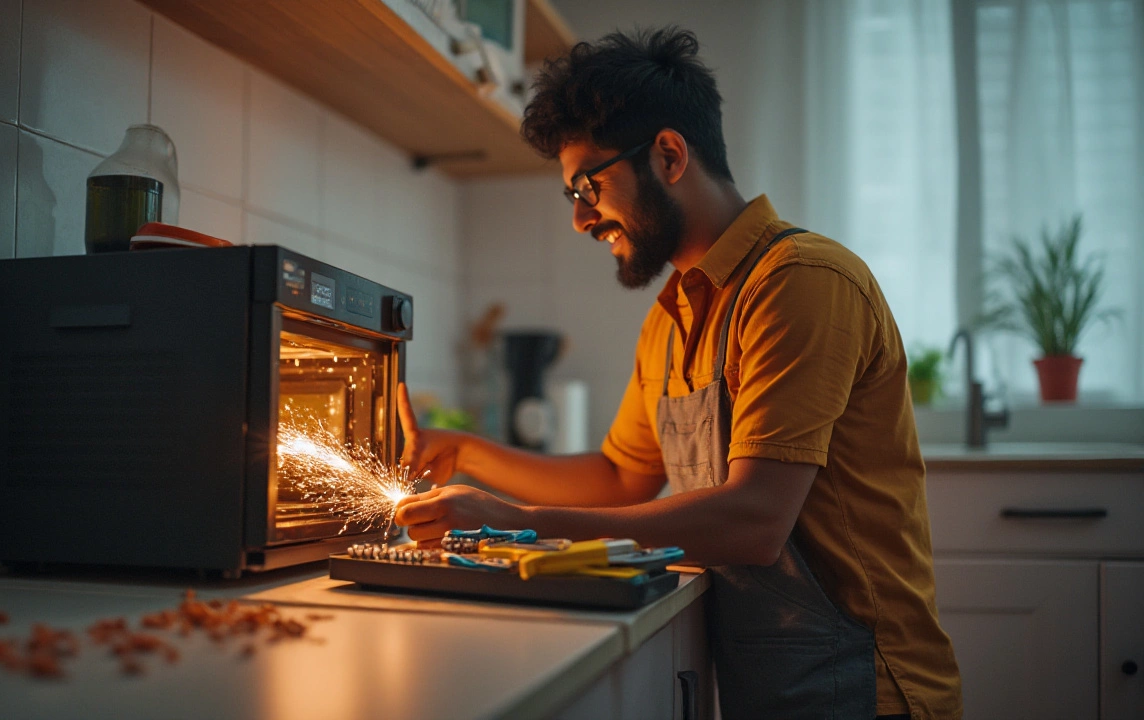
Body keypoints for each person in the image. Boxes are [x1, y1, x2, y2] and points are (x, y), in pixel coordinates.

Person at [394, 27, 961, 720]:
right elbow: (619, 478)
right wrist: (464, 455)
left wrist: (520, 524)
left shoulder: (801, 282)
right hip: (775, 681)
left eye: (587, 185)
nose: (579, 218)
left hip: (870, 688)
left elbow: (755, 520)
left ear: (667, 155)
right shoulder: (672, 314)